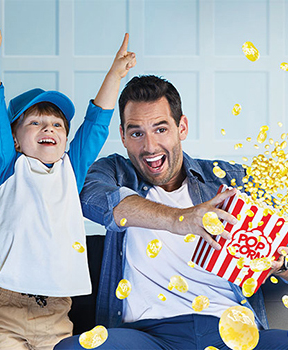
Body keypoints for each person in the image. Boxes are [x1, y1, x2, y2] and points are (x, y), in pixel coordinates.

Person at [62, 75, 288, 349]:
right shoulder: (113, 173)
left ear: (181, 127)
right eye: (136, 133)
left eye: (160, 129)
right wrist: (182, 219)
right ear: (122, 136)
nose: (149, 147)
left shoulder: (229, 179)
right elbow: (97, 201)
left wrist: (280, 264)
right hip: (147, 336)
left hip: (235, 333)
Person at [0, 17, 136, 350]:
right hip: (7, 306)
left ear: (65, 139)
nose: (48, 129)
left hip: (56, 310)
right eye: (35, 122)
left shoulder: (71, 169)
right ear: (16, 140)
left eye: (57, 125)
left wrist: (115, 75)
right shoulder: (8, 169)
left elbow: (96, 124)